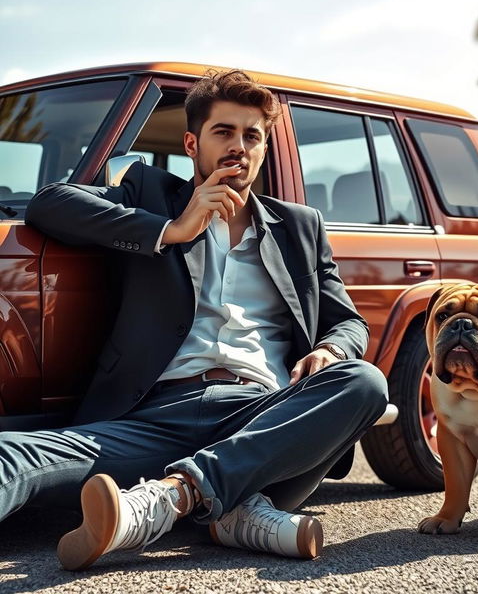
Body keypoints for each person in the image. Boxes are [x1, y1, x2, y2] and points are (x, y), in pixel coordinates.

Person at [0, 69, 388, 570]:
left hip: (263, 419)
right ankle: (232, 512)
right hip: (151, 419)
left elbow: (349, 323)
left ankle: (170, 497)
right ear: (192, 142)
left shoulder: (300, 228)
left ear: (264, 147)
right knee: (11, 454)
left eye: (252, 136)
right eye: (223, 132)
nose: (239, 147)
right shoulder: (150, 192)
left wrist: (331, 350)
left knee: (362, 380)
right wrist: (172, 228)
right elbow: (51, 203)